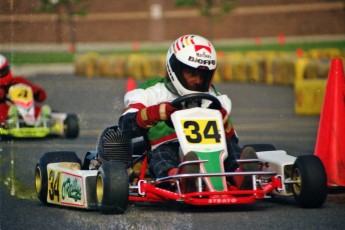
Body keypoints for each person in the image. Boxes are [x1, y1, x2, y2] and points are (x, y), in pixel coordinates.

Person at [118, 35, 257, 188]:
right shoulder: (152, 92)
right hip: (167, 147)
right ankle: (180, 177)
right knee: (162, 155)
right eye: (191, 73)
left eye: (203, 75)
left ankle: (241, 176)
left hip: (212, 149)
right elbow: (125, 125)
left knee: (231, 148)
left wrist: (222, 118)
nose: (197, 80)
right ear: (175, 68)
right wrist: (155, 113)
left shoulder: (214, 97)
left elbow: (232, 138)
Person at [0, 53, 48, 127]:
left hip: (25, 109)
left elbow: (42, 96)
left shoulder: (18, 80)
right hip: (4, 111)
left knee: (40, 110)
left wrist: (36, 92)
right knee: (3, 110)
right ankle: (11, 120)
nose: (2, 74)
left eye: (3, 71)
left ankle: (44, 119)